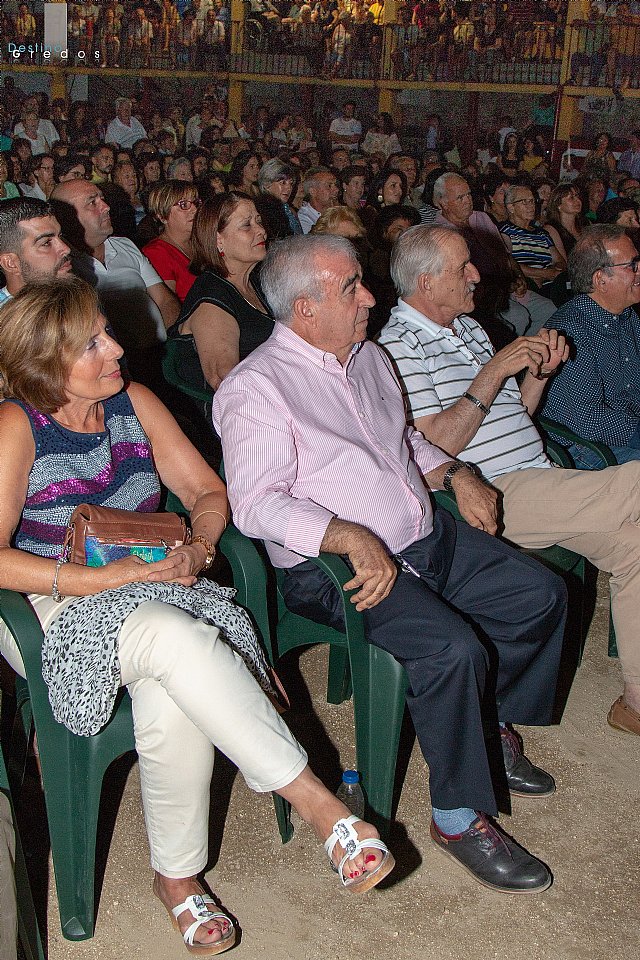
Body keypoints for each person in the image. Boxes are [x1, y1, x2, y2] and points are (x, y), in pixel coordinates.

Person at [0, 276, 393, 958]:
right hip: (45, 597)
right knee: (171, 636)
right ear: (47, 362)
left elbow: (206, 490)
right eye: (92, 342)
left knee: (170, 679)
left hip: (148, 583)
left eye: (107, 330)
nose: (117, 346)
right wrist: (101, 579)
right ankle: (320, 805)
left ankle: (177, 879)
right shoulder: (15, 425)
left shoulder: (135, 401)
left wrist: (201, 546)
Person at [214, 233, 569, 896]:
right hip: (334, 571)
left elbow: (403, 441)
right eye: (351, 287)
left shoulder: (368, 357)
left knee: (539, 594)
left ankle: (487, 727)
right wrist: (347, 535)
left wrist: (456, 471)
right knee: (452, 649)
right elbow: (256, 506)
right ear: (304, 309)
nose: (371, 297)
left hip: (422, 536)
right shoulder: (255, 390)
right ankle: (459, 817)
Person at [376, 223, 640, 738]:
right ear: (426, 282)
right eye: (462, 268)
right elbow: (437, 446)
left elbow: (514, 414)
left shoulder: (469, 327)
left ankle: (635, 701)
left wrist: (537, 375)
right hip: (484, 493)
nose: (476, 275)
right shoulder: (397, 348)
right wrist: (493, 372)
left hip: (537, 478)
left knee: (634, 546)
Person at [50, 179, 180, 386]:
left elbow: (164, 300)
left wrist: (173, 347)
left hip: (162, 356)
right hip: (113, 368)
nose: (106, 206)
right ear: (68, 218)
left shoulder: (125, 245)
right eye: (92, 202)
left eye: (102, 198)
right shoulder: (62, 265)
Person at [542, 225, 640, 469]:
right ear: (601, 279)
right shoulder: (570, 331)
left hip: (625, 427)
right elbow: (590, 420)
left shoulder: (627, 316)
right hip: (586, 446)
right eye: (632, 265)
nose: (639, 271)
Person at [167, 192, 273, 408]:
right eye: (246, 225)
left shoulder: (256, 282)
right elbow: (225, 379)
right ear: (218, 240)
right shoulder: (212, 299)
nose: (261, 230)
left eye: (259, 221)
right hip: (242, 416)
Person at [0, 199, 72, 303]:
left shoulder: (76, 299)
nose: (66, 249)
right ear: (11, 263)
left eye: (60, 236)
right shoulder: (5, 318)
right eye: (46, 243)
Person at [142, 181, 200, 302]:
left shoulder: (201, 242)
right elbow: (167, 307)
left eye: (195, 203)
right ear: (162, 216)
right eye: (184, 205)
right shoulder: (156, 253)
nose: (195, 209)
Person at [500, 184, 566, 289]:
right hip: (526, 286)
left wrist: (552, 273)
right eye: (525, 202)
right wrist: (546, 273)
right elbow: (509, 263)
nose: (531, 206)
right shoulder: (505, 232)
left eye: (532, 201)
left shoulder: (542, 233)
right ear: (511, 207)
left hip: (549, 284)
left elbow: (559, 261)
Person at [297, 167, 340, 233]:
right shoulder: (303, 218)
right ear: (313, 191)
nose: (336, 190)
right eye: (329, 185)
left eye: (336, 185)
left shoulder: (340, 211)